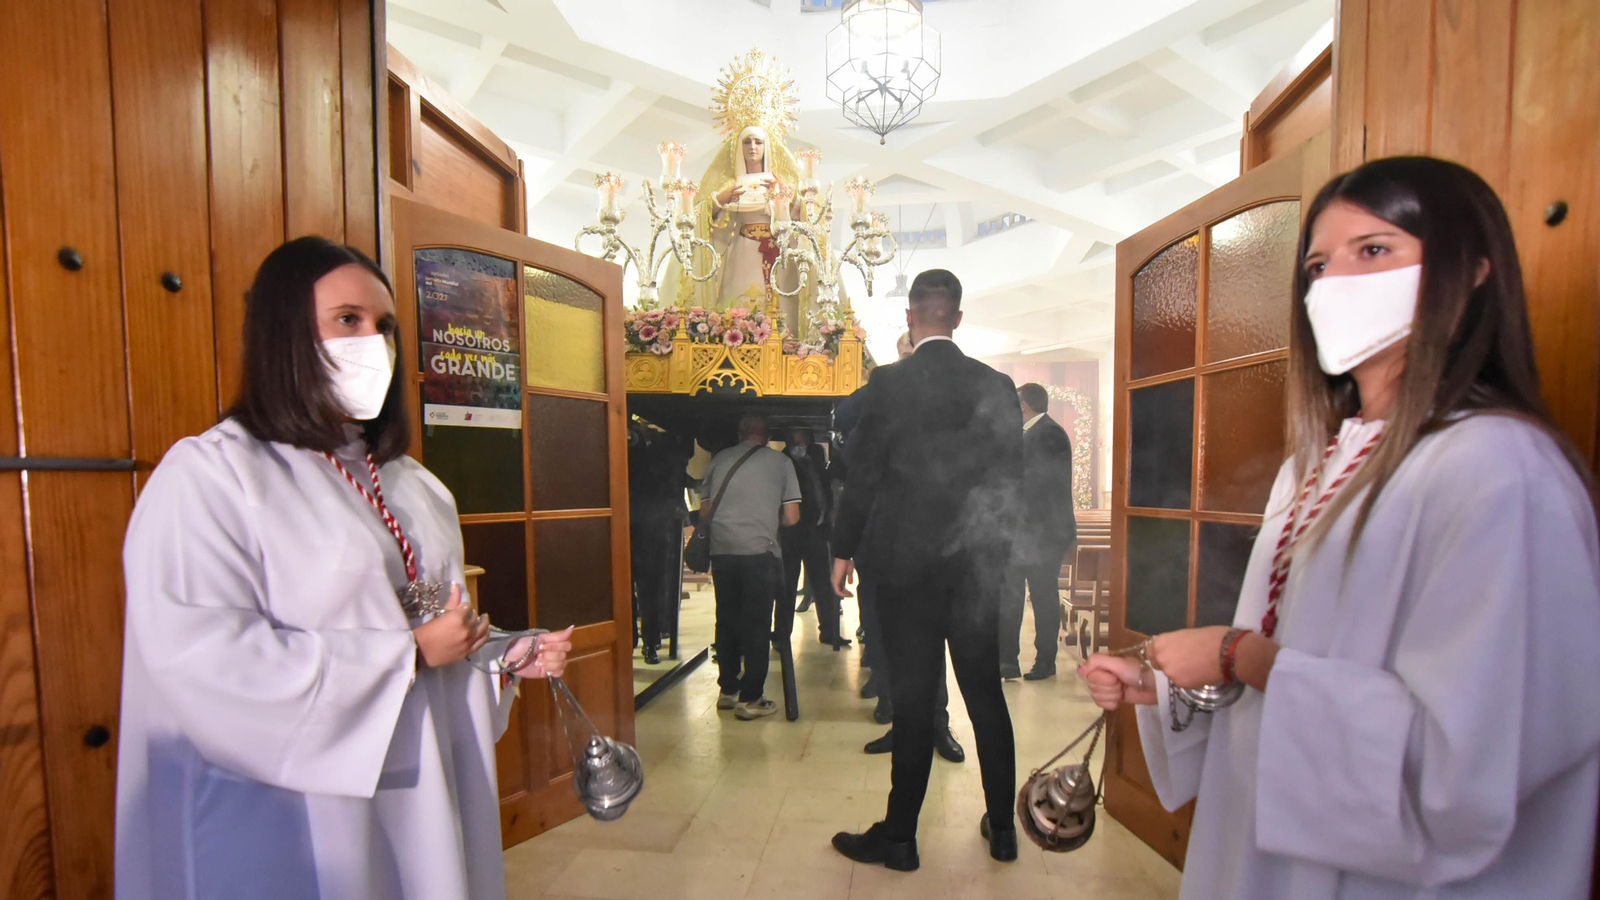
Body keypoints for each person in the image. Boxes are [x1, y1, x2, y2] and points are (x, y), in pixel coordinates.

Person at [1081, 156, 1600, 900]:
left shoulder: (1497, 470)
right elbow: (1301, 651)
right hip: (1270, 851)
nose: (1334, 284)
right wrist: (1175, 685)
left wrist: (1235, 655)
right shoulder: (1318, 463)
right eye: (1319, 263)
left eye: (1374, 251)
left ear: (1473, 269)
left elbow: (1472, 765)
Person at [114, 237, 575, 900]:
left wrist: (499, 657)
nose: (373, 342)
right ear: (285, 332)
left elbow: (428, 620)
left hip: (415, 793)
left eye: (385, 326)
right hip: (290, 810)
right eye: (348, 320)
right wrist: (407, 658)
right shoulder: (214, 476)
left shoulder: (414, 485)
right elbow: (200, 660)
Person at [829, 270, 1024, 871]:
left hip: (905, 566)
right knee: (986, 696)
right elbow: (1012, 482)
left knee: (913, 698)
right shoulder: (996, 385)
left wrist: (842, 552)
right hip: (975, 568)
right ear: (957, 319)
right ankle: (1004, 828)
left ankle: (900, 837)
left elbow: (861, 475)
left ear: (910, 318)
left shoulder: (887, 383)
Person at [838, 332, 964, 761]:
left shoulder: (950, 407)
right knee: (886, 638)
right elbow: (851, 449)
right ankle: (895, 716)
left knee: (935, 643)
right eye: (907, 356)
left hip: (938, 548)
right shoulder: (880, 397)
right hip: (883, 547)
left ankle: (939, 726)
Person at [701, 415, 801, 720]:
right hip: (760, 552)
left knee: (727, 618)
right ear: (767, 437)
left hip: (722, 552)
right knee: (757, 624)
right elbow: (793, 516)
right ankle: (751, 698)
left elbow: (705, 510)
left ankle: (728, 690)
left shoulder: (719, 459)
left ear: (739, 433)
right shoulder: (781, 463)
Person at [1000, 382, 1077, 681]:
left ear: (1023, 405)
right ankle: (1007, 661)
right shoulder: (1031, 433)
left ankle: (1046, 662)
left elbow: (1041, 484)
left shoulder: (1050, 434)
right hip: (1023, 533)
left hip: (1044, 533)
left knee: (1044, 596)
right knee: (1010, 594)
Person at [628, 418, 692, 665]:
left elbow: (672, 480)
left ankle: (649, 641)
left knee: (651, 589)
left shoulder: (662, 449)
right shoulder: (639, 449)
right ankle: (639, 640)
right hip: (639, 528)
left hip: (649, 528)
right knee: (636, 590)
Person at [780, 428, 849, 648]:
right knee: (787, 586)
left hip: (817, 531)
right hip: (792, 532)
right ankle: (781, 635)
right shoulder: (782, 462)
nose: (801, 444)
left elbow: (824, 487)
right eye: (796, 439)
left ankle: (829, 631)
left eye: (804, 439)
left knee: (823, 584)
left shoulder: (815, 460)